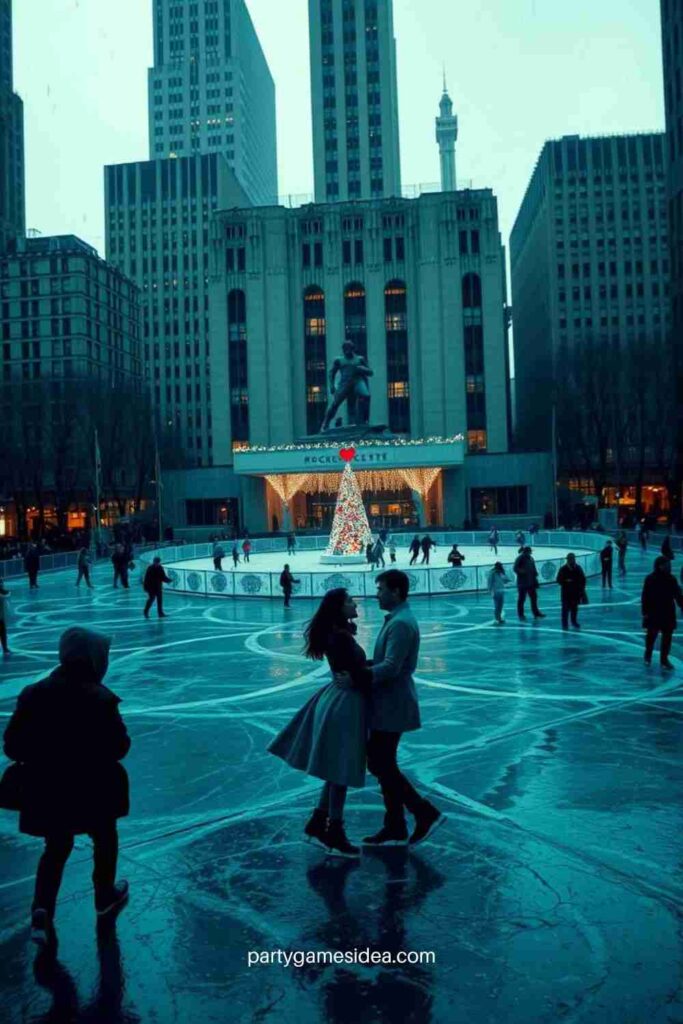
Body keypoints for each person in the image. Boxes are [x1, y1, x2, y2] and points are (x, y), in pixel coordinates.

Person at [2, 628, 130, 947]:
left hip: (47, 789)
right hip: (93, 788)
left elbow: (13, 745)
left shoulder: (33, 694)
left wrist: (45, 755)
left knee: (56, 848)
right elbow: (119, 746)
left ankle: (42, 909)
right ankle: (104, 897)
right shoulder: (100, 698)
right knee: (104, 837)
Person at [342, 570, 445, 848]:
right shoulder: (398, 620)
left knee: (379, 762)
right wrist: (364, 667)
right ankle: (396, 825)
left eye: (381, 589)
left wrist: (357, 675)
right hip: (388, 702)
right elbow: (388, 661)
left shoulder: (400, 624)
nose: (377, 594)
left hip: (393, 703)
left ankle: (423, 812)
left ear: (396, 592)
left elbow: (392, 667)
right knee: (381, 762)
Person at [268, 589, 371, 857]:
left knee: (337, 768)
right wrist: (387, 668)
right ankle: (334, 831)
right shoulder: (339, 638)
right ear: (338, 608)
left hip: (339, 699)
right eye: (350, 601)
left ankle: (318, 821)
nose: (354, 603)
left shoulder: (339, 634)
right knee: (341, 771)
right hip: (345, 704)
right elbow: (356, 672)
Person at [641, 556, 683, 670]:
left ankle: (664, 660)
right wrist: (645, 612)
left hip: (668, 612)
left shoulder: (671, 579)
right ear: (660, 566)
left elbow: (678, 595)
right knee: (651, 637)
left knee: (667, 638)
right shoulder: (650, 579)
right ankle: (647, 656)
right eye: (666, 564)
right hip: (653, 612)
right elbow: (645, 596)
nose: (669, 566)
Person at [556, 553, 587, 630]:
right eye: (569, 559)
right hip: (566, 593)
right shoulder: (563, 569)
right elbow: (558, 580)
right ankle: (565, 624)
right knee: (565, 609)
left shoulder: (578, 568)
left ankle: (574, 621)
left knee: (574, 609)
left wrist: (582, 591)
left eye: (572, 559)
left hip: (575, 593)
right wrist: (566, 581)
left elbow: (583, 580)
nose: (571, 561)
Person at [513, 546, 545, 620]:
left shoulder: (531, 558)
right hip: (523, 583)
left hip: (531, 582)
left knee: (534, 598)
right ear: (526, 552)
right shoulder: (520, 558)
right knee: (522, 599)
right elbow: (515, 568)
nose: (531, 552)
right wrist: (522, 572)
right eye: (530, 551)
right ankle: (521, 614)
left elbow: (533, 568)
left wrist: (535, 574)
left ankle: (536, 613)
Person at [0, 581, 10, 654]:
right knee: (2, 632)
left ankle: (5, 648)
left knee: (3, 632)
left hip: (1, 617)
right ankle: (5, 648)